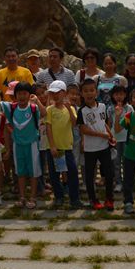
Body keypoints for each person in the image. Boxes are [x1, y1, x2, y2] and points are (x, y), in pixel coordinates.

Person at [77, 78, 115, 211]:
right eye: (86, 91)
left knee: (109, 174)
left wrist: (110, 135)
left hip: (104, 147)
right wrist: (101, 135)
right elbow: (83, 129)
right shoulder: (82, 111)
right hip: (90, 149)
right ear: (81, 93)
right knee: (89, 176)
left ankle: (109, 199)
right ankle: (93, 200)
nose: (89, 93)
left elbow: (104, 123)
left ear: (96, 92)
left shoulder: (103, 106)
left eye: (92, 90)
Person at [6, 82, 43, 209]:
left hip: (32, 145)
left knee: (33, 172)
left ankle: (32, 197)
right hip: (18, 145)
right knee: (20, 172)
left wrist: (37, 101)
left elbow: (44, 114)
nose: (22, 96)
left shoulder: (33, 108)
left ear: (29, 95)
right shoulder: (12, 108)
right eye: (19, 94)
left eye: (24, 93)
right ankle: (22, 197)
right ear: (15, 95)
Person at [45, 80, 81, 209]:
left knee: (72, 173)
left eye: (58, 93)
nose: (55, 96)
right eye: (52, 93)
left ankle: (74, 198)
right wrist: (52, 146)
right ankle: (59, 196)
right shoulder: (49, 109)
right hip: (54, 148)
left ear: (64, 93)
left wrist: (69, 109)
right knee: (54, 174)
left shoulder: (71, 108)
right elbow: (48, 128)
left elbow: (75, 123)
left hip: (67, 147)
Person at [109, 85, 133, 194]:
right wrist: (110, 136)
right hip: (115, 139)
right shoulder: (110, 108)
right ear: (113, 95)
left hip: (127, 138)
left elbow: (130, 123)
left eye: (121, 94)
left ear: (125, 95)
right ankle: (118, 182)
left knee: (127, 162)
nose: (119, 96)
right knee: (116, 162)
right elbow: (109, 124)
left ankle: (128, 182)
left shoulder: (129, 108)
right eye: (116, 94)